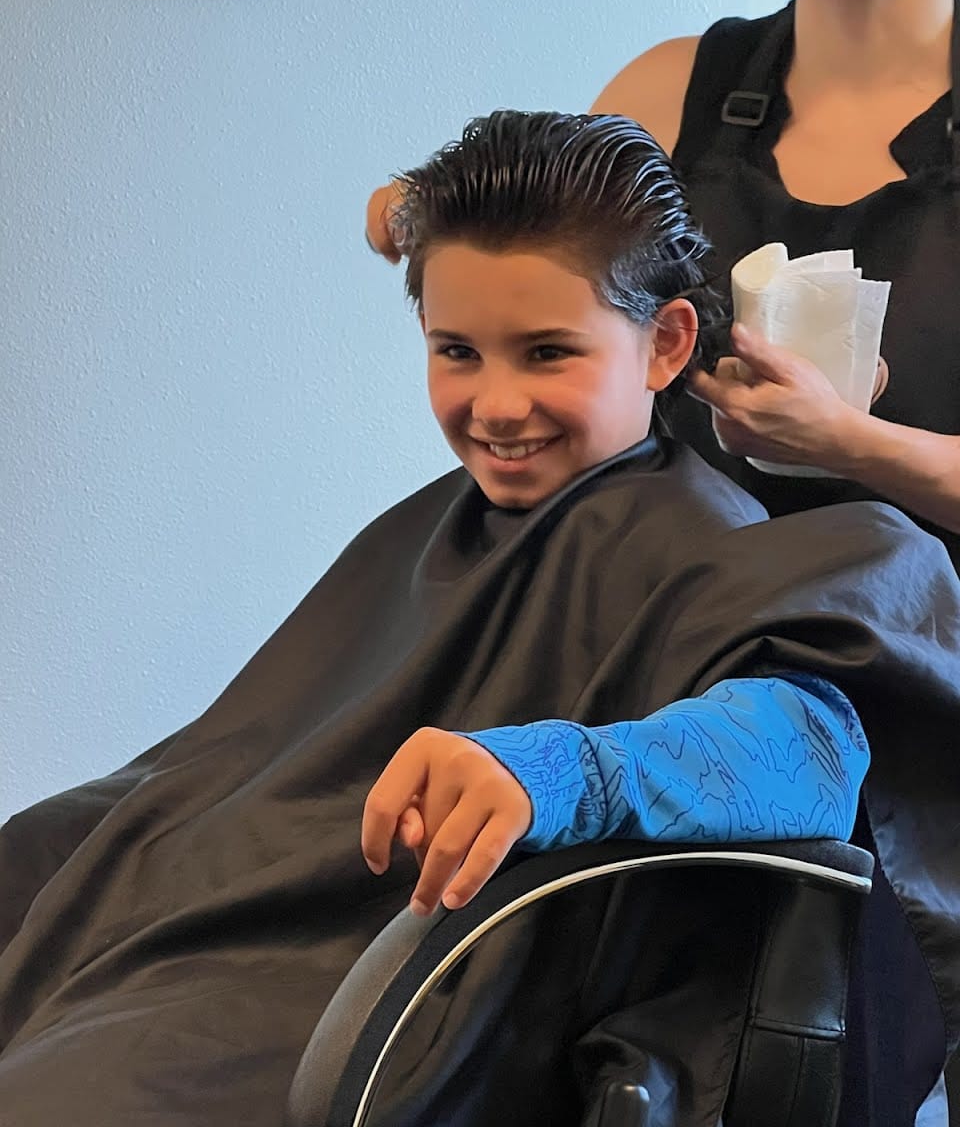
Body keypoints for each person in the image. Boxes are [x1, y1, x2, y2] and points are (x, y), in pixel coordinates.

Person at [2, 112, 959, 1127]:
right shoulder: (436, 527)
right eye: (457, 350)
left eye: (547, 351)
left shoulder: (704, 542)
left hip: (409, 998)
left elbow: (810, 750)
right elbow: (259, 761)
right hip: (226, 934)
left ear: (666, 342)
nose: (497, 405)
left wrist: (559, 771)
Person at [366, 0, 960, 577]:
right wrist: (440, 207)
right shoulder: (669, 91)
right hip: (672, 635)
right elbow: (550, 263)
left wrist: (851, 445)